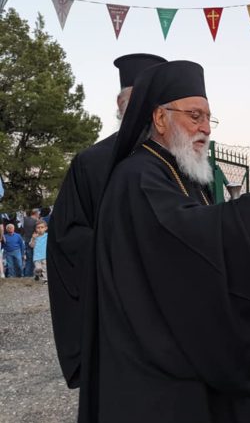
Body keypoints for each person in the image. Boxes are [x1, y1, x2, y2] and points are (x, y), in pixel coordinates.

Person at [74, 60, 250, 423]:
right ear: (160, 118)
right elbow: (190, 233)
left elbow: (201, 237)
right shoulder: (138, 176)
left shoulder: (176, 171)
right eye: (195, 116)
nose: (206, 128)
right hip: (153, 358)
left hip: (179, 335)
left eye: (209, 118)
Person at [47, 53, 167, 389]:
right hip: (114, 307)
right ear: (120, 104)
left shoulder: (179, 161)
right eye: (138, 101)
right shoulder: (90, 163)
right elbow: (66, 236)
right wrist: (118, 251)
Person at [22, 209, 40, 277]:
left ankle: (27, 274)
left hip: (26, 240)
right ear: (36, 213)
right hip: (34, 241)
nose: (39, 214)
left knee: (29, 259)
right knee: (35, 259)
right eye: (38, 213)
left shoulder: (25, 219)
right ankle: (32, 274)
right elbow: (38, 232)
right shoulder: (36, 221)